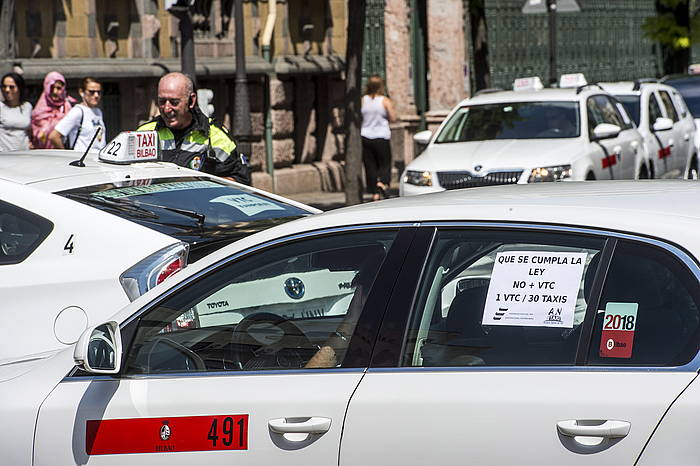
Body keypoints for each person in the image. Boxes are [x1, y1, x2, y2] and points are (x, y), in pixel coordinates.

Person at [137, 72, 250, 185]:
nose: (166, 108)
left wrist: (197, 184)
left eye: (174, 102)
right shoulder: (143, 134)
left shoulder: (215, 136)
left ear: (191, 100)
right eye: (162, 101)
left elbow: (241, 182)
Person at [361, 75, 397, 201]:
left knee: (370, 165)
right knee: (384, 163)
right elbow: (393, 117)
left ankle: (374, 192)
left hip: (365, 135)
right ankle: (383, 183)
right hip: (381, 135)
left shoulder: (363, 100)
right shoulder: (384, 101)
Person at [49, 77, 106, 151]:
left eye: (99, 92)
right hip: (83, 159)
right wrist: (66, 156)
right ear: (81, 92)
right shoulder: (78, 111)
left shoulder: (98, 112)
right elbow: (54, 136)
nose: (96, 95)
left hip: (97, 159)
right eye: (91, 92)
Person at [31, 72, 73, 149]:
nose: (55, 92)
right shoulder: (40, 107)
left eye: (58, 88)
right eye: (52, 87)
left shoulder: (66, 107)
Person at [0, 72, 33, 152]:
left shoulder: (27, 107)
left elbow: (30, 130)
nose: (7, 90)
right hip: (5, 155)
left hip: (24, 155)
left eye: (11, 87)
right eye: (4, 87)